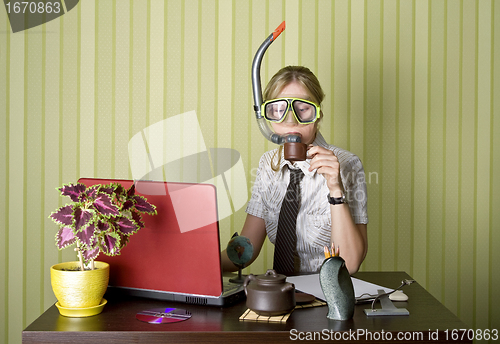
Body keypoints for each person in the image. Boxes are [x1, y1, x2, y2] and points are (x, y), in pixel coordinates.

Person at [222, 66, 368, 275]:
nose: (291, 120)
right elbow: (245, 251)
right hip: (278, 294)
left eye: (303, 108)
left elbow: (350, 264)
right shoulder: (267, 164)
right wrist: (195, 264)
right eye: (279, 110)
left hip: (325, 296)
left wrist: (335, 189)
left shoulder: (347, 164)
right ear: (267, 116)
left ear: (318, 114)